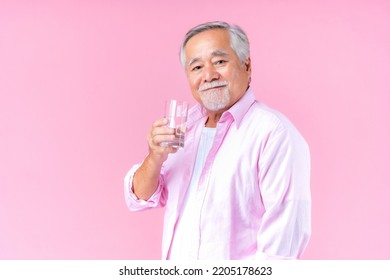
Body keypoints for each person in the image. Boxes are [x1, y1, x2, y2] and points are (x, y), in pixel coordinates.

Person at [124, 21, 311, 260]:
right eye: (197, 67)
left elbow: (282, 248)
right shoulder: (184, 128)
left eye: (220, 62)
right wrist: (154, 158)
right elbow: (138, 199)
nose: (209, 75)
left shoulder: (274, 134)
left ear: (247, 65)